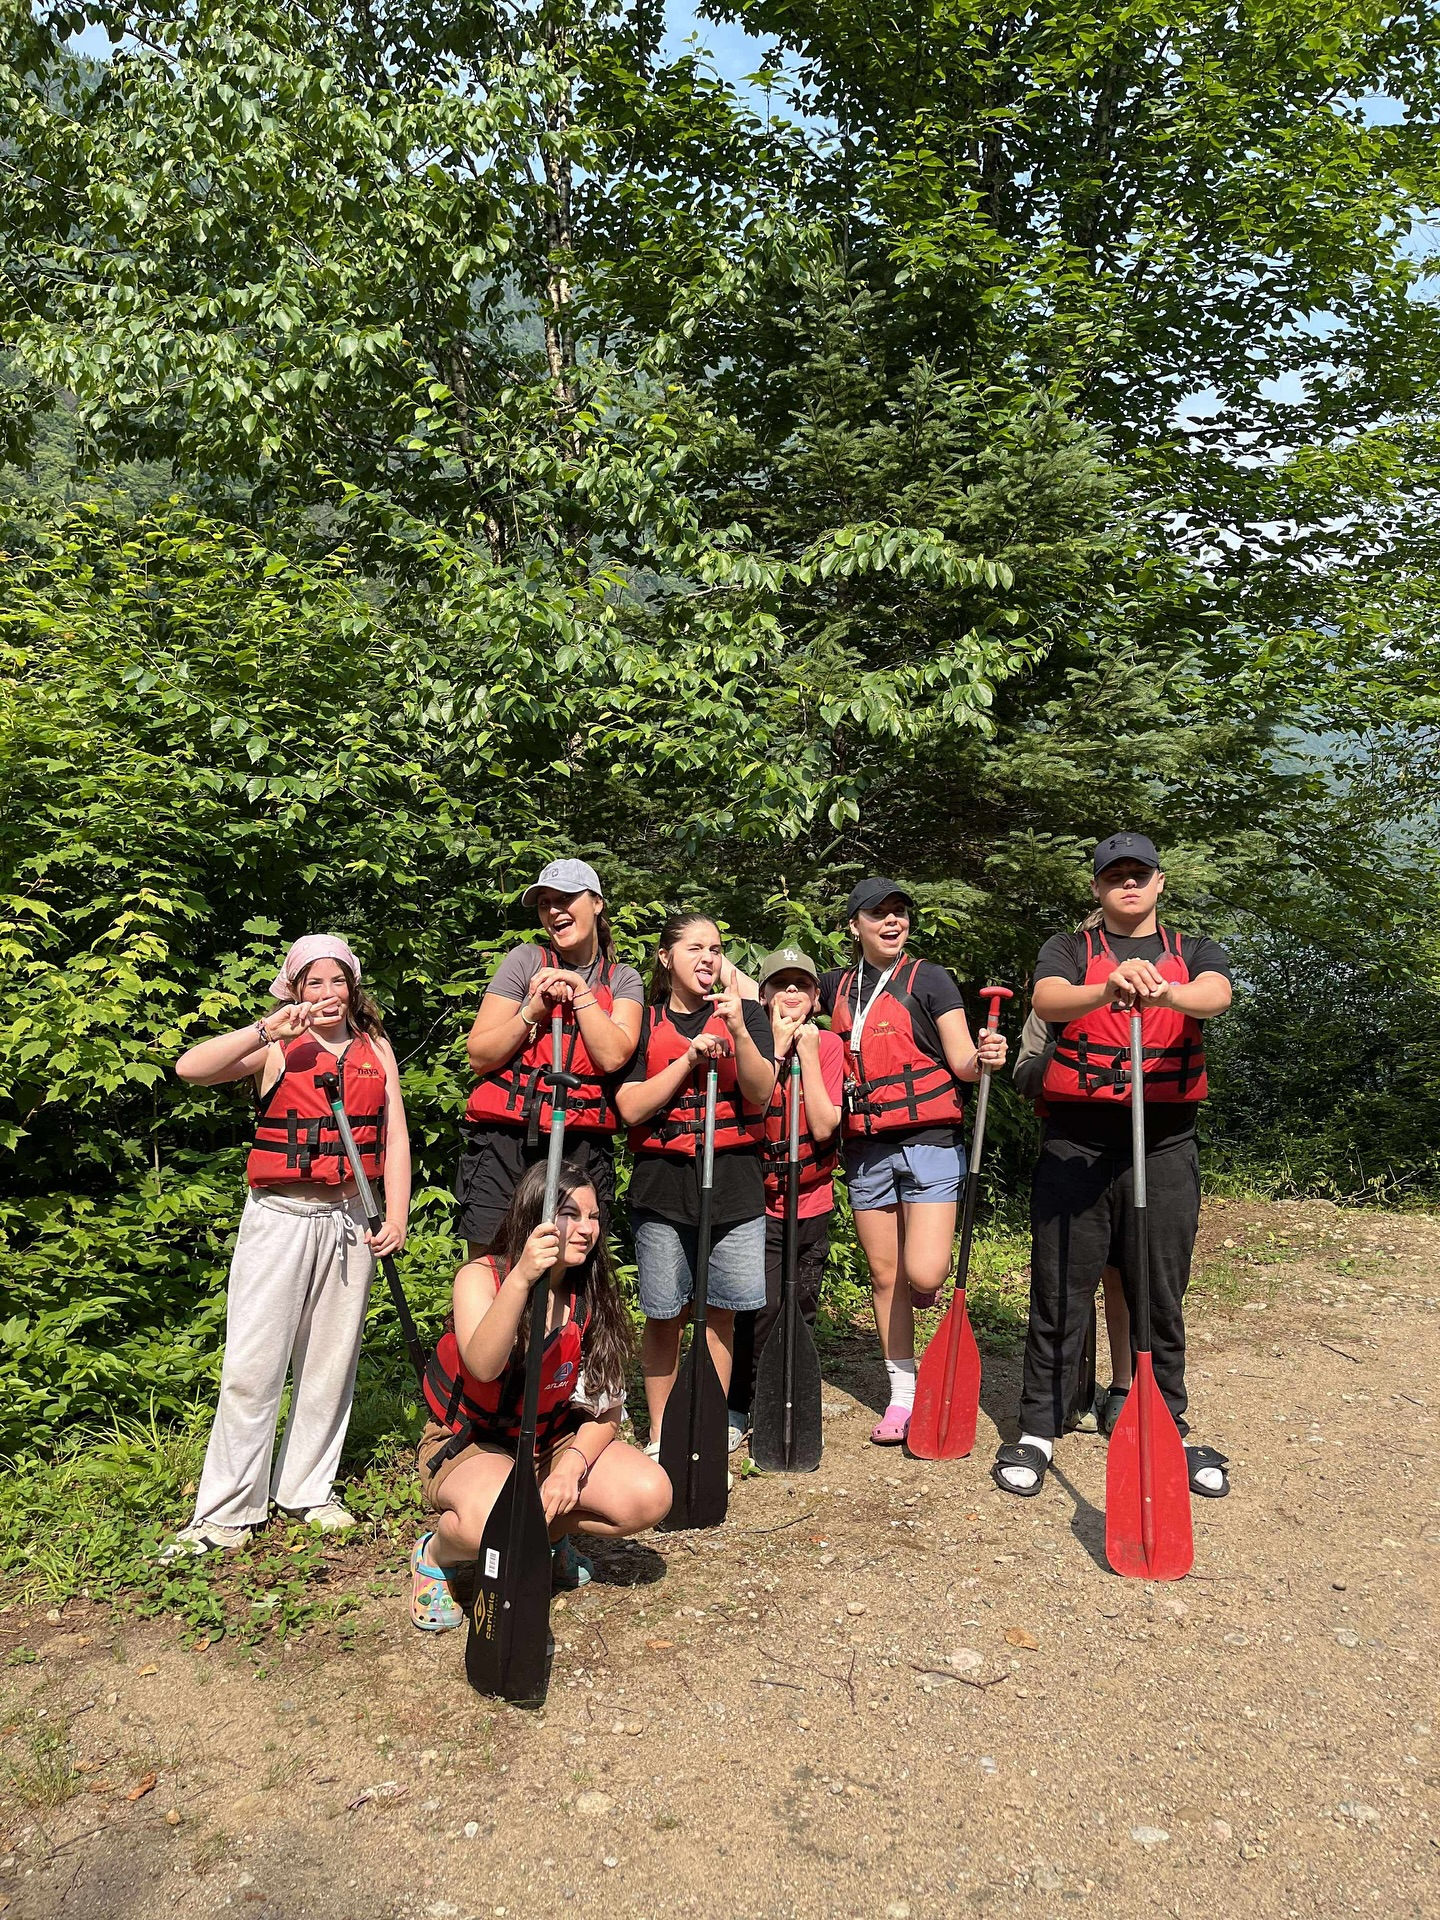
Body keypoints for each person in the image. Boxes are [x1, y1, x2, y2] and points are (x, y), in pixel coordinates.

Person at [993, 833, 1233, 1498]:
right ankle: (1038, 1428)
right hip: (1077, 1146)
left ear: (1159, 883)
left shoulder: (1193, 952)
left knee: (1159, 1292)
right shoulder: (1069, 950)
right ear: (1098, 888)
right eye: (1115, 876)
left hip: (1163, 1146)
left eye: (1140, 874)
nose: (1129, 884)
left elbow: (1216, 994)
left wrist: (1165, 995)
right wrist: (1106, 988)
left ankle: (1166, 1420)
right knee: (1059, 1292)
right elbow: (1046, 1000)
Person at [163, 935, 412, 1556]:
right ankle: (225, 1510)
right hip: (281, 1216)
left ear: (353, 987)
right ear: (295, 990)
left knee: (331, 1361)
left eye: (337, 981)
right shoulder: (276, 1047)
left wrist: (398, 1214)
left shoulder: (376, 1049)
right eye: (313, 983)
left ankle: (307, 1488)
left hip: (352, 1216)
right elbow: (188, 1069)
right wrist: (262, 1030)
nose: (327, 994)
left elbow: (396, 1135)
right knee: (254, 1364)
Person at [410, 1164, 671, 1627]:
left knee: (649, 1494)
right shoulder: (480, 1277)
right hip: (472, 1442)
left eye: (594, 1217)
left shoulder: (591, 1297)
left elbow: (606, 1414)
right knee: (498, 1514)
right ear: (537, 1217)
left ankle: (542, 1534)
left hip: (548, 1442)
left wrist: (570, 1469)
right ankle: (437, 1554)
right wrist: (522, 1279)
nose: (587, 1229)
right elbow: (483, 1366)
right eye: (571, 1214)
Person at [819, 881, 1008, 1446]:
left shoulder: (929, 978)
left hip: (928, 1138)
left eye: (898, 912)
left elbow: (963, 1063)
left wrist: (985, 1056)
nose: (891, 921)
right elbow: (767, 993)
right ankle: (902, 1394)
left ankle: (923, 1286)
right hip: (865, 1146)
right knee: (885, 1276)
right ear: (855, 925)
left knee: (923, 1273)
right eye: (877, 914)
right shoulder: (834, 986)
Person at [614, 913, 777, 1455]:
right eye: (695, 948)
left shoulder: (747, 1013)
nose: (708, 958)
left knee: (723, 1312)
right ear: (666, 957)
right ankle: (663, 1432)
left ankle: (706, 1419)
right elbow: (631, 1107)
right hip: (663, 1187)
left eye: (716, 948)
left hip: (734, 1185)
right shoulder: (642, 1022)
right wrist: (686, 1058)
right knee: (665, 1315)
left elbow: (759, 1092)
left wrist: (734, 1029)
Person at [458, 859, 644, 1254]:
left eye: (566, 899)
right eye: (545, 903)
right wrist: (531, 1012)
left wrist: (580, 992)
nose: (554, 911)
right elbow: (480, 1055)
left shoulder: (624, 979)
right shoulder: (525, 961)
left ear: (596, 903)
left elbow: (613, 1056)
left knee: (572, 1266)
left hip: (581, 1144)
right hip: (507, 1142)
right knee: (490, 1261)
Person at [727, 948, 845, 1450]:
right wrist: (775, 1045)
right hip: (759, 1200)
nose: (791, 992)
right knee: (757, 1306)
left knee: (799, 1303)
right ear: (765, 995)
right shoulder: (750, 1043)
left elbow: (823, 1124)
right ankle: (740, 1402)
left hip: (811, 1201)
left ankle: (784, 1395)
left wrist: (812, 1054)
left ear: (816, 998)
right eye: (781, 984)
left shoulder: (832, 1046)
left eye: (802, 984)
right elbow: (753, 1101)